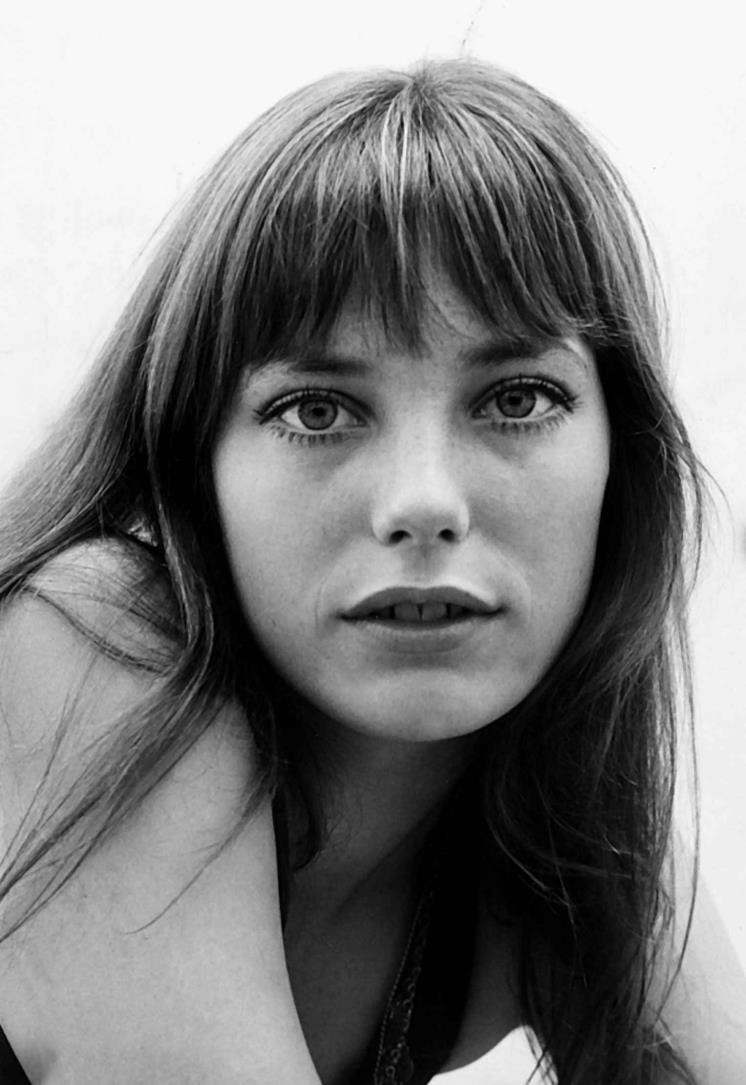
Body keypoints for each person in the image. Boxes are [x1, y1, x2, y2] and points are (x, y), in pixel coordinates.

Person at [0, 57, 744, 1085]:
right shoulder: (87, 645)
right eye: (317, 410)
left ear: (626, 458)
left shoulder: (558, 823)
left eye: (516, 399)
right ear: (191, 463)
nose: (423, 502)